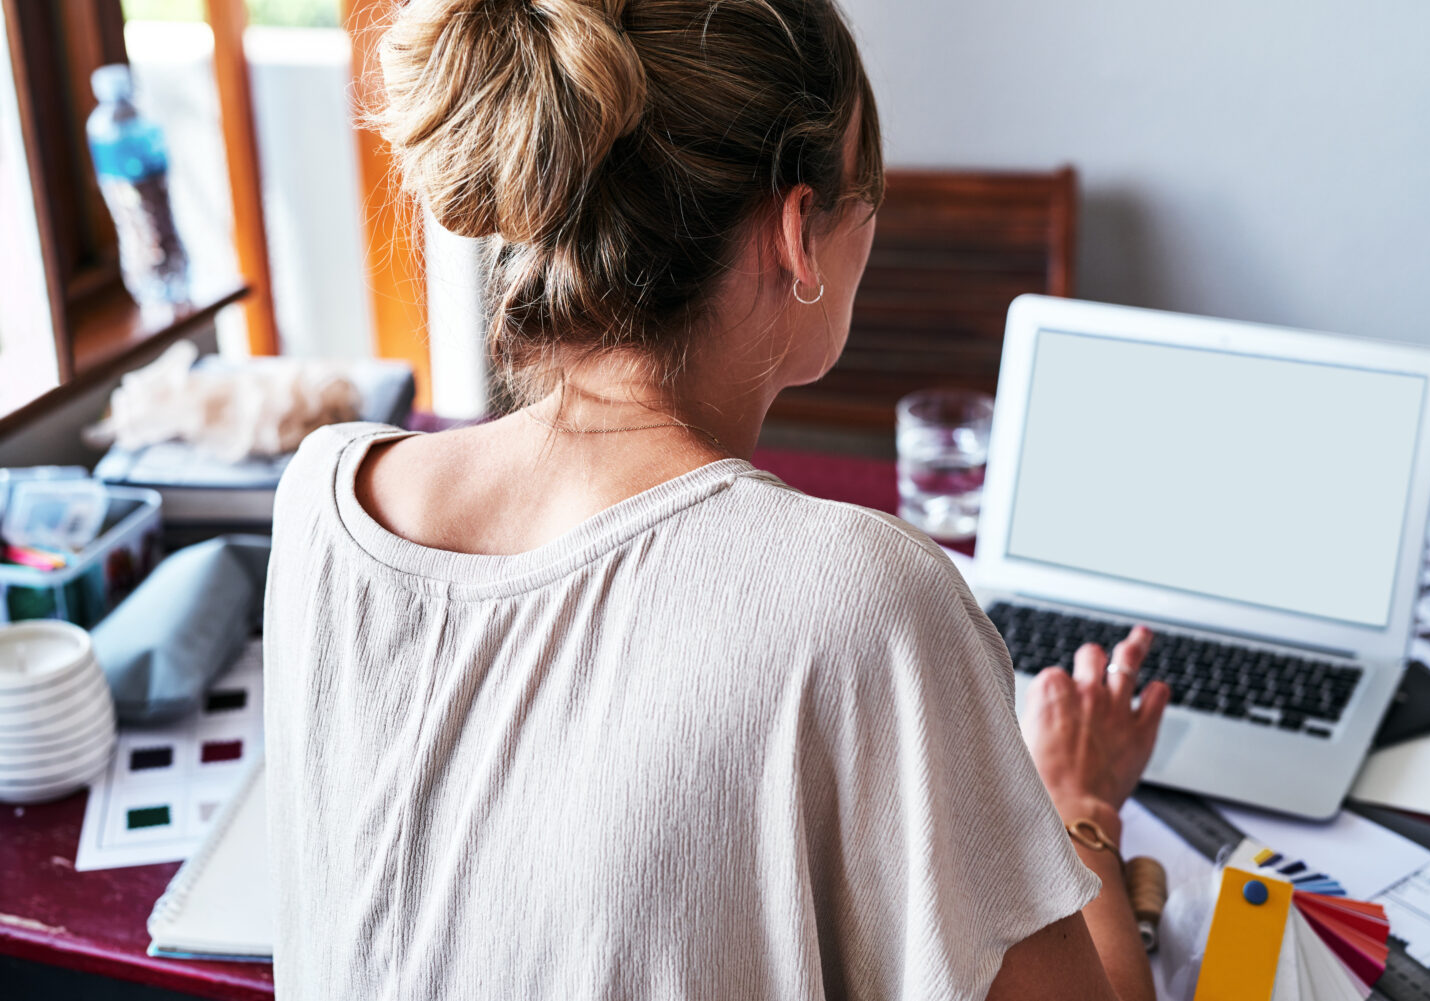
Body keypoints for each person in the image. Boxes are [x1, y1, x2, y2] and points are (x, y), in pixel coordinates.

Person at [263, 0, 1172, 998]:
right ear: (798, 232)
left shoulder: (323, 497)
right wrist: (1078, 806)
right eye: (864, 189)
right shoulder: (866, 602)